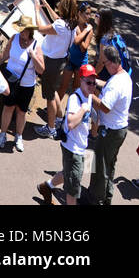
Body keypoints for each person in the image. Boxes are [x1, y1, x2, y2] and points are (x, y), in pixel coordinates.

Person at [37, 65, 97, 205]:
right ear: (80, 81)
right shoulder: (75, 99)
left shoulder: (88, 95)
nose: (92, 85)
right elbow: (70, 123)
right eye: (88, 82)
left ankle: (46, 186)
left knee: (70, 174)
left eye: (94, 82)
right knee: (73, 189)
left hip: (82, 146)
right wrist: (82, 110)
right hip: (72, 148)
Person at [88, 45, 132, 205]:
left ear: (112, 62)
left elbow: (105, 107)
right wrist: (95, 82)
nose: (103, 66)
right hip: (118, 130)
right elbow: (109, 85)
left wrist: (90, 94)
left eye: (104, 63)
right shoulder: (123, 76)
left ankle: (94, 199)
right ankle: (106, 196)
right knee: (109, 164)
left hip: (110, 131)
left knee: (99, 165)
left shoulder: (116, 84)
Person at [0, 14, 43, 152]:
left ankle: (19, 136)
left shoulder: (36, 45)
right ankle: (3, 135)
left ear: (30, 31)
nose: (21, 32)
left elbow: (41, 69)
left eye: (24, 30)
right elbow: (5, 55)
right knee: (8, 107)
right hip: (11, 81)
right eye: (20, 29)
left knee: (21, 111)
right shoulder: (14, 38)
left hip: (26, 84)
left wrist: (33, 56)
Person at [33, 0, 73, 138]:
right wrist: (46, 5)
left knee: (49, 96)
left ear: (63, 6)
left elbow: (39, 27)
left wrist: (37, 9)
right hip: (60, 61)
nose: (57, 4)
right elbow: (57, 18)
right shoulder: (71, 22)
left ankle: (50, 128)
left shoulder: (60, 26)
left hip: (51, 63)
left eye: (59, 2)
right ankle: (59, 117)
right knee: (53, 89)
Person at [94, 9, 131, 82]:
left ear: (102, 20)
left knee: (98, 91)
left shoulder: (104, 39)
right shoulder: (114, 33)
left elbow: (101, 62)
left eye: (96, 15)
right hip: (114, 69)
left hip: (106, 72)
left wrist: (92, 74)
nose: (94, 16)